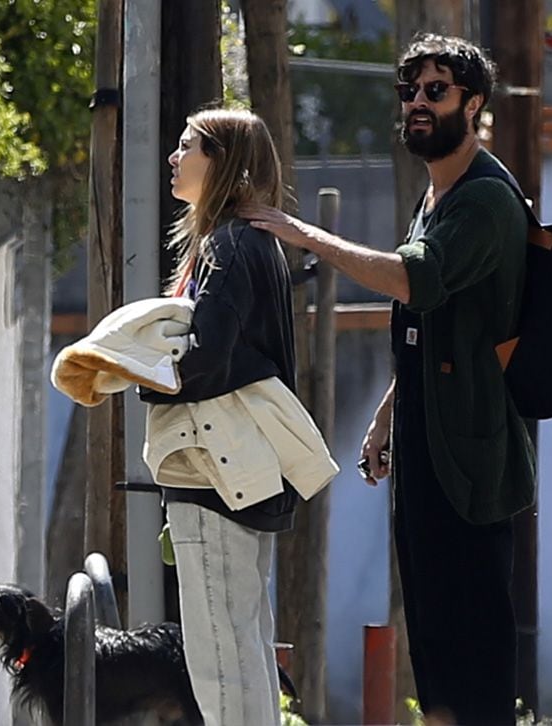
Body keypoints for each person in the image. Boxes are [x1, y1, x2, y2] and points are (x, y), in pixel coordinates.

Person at [242, 33, 536, 726]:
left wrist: (304, 235)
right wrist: (384, 418)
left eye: (436, 92)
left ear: (475, 103)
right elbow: (430, 322)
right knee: (432, 638)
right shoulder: (439, 197)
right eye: (409, 93)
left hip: (474, 459)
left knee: (474, 649)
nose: (417, 105)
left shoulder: (485, 201)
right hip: (426, 449)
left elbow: (414, 279)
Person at [138, 108, 337, 726]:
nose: (174, 157)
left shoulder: (225, 243)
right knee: (245, 646)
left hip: (212, 472)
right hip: (245, 469)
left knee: (219, 656)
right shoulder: (254, 242)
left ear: (221, 162)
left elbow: (206, 359)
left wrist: (133, 368)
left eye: (187, 146)